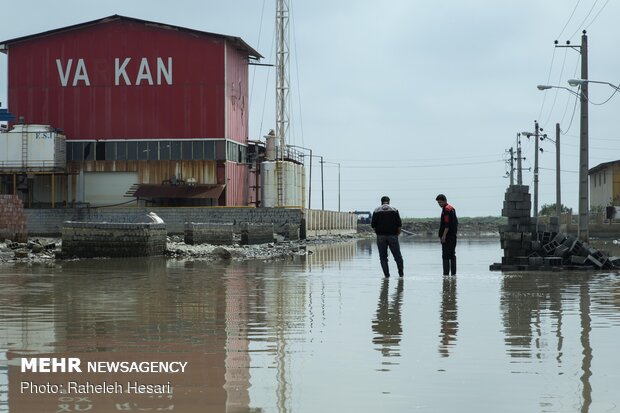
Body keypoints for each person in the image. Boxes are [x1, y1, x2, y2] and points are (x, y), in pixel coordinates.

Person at [371, 196, 404, 278]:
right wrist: (397, 233)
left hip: (381, 236)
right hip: (393, 235)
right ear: (389, 201)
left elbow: (373, 225)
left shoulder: (376, 210)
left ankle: (387, 276)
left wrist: (377, 232)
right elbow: (399, 224)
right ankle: (401, 275)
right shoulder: (394, 209)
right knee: (397, 256)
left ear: (381, 202)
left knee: (383, 257)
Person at [436, 194, 458, 276]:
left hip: (447, 237)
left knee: (445, 256)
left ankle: (445, 275)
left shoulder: (446, 210)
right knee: (452, 255)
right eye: (438, 203)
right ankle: (453, 274)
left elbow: (447, 225)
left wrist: (443, 236)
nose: (439, 204)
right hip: (453, 236)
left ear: (445, 201)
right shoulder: (451, 208)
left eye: (440, 202)